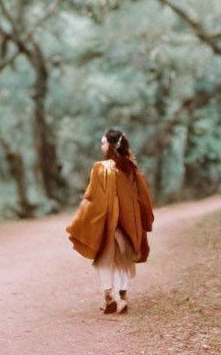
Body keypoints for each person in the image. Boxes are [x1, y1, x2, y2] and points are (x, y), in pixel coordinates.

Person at [66, 128, 155, 314]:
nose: (101, 146)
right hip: (129, 224)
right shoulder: (132, 169)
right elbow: (144, 198)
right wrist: (145, 221)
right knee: (122, 260)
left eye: (103, 143)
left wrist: (82, 222)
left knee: (104, 260)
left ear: (111, 145)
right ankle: (121, 297)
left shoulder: (101, 168)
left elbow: (92, 198)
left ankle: (111, 297)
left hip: (109, 223)